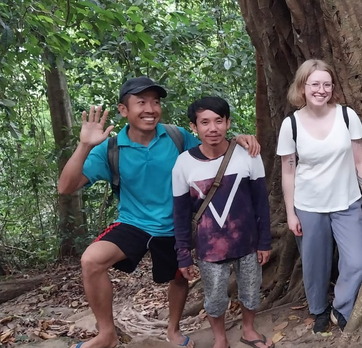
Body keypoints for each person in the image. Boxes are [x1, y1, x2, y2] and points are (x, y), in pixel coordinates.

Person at [58, 77, 260, 348]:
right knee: (91, 261)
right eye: (141, 102)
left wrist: (240, 139)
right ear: (123, 110)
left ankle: (173, 330)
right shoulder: (112, 148)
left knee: (179, 276)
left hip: (175, 224)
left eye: (155, 102)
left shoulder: (176, 137)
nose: (150, 109)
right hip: (133, 223)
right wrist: (84, 145)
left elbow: (212, 145)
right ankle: (107, 334)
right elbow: (66, 187)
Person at [277, 59, 362, 333]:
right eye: (315, 84)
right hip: (308, 205)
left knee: (358, 261)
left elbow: (360, 161)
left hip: (347, 201)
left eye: (326, 84)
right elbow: (288, 172)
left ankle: (340, 307)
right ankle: (318, 309)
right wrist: (290, 212)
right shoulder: (291, 125)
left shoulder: (346, 116)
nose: (321, 90)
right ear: (303, 87)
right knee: (314, 263)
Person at [172, 97, 272, 348]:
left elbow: (261, 202)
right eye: (204, 122)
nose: (212, 128)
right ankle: (220, 339)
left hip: (248, 244)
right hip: (209, 249)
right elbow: (181, 213)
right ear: (194, 127)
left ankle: (249, 331)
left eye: (219, 121)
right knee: (214, 297)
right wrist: (183, 254)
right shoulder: (184, 164)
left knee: (251, 291)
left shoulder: (248, 155)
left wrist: (265, 241)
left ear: (228, 123)